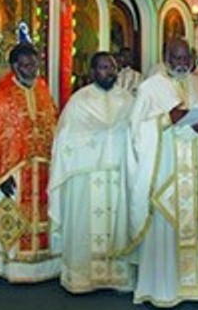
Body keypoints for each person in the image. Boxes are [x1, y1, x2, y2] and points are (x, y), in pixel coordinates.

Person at [129, 38, 198, 307]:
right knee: (166, 229)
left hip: (197, 178)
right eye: (176, 57)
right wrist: (167, 119)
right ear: (166, 58)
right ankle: (164, 291)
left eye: (186, 58)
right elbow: (136, 131)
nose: (182, 63)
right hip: (167, 178)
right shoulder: (151, 88)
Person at [49, 52, 135, 293]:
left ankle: (118, 277)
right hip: (85, 176)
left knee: (119, 225)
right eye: (103, 67)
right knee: (84, 225)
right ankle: (81, 278)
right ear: (92, 72)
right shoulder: (79, 101)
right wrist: (96, 142)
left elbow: (137, 133)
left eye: (112, 67)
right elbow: (65, 139)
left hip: (118, 175)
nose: (108, 72)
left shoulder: (128, 100)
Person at [0, 42, 60, 282]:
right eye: (26, 65)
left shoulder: (43, 90)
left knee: (44, 215)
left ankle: (45, 266)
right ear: (15, 67)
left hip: (44, 167)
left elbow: (53, 124)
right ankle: (12, 269)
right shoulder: (3, 96)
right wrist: (0, 176)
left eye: (34, 64)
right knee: (14, 218)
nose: (31, 69)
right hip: (14, 171)